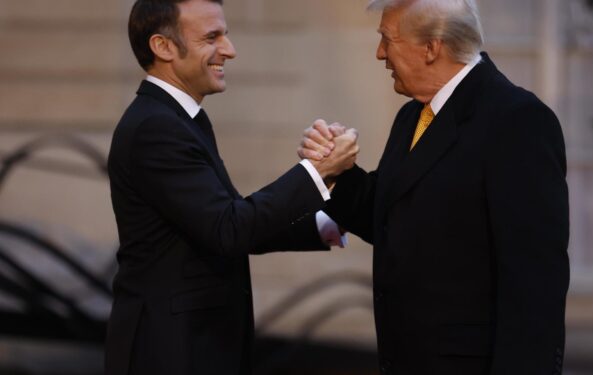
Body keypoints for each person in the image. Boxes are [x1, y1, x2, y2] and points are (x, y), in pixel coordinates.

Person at [299, 0, 569, 374]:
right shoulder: (413, 114)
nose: (380, 54)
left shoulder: (517, 120)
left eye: (386, 39)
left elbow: (534, 283)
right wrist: (337, 171)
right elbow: (392, 214)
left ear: (431, 47)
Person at [105, 0, 358, 374]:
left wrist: (326, 223)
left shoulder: (178, 119)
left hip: (193, 347)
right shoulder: (157, 128)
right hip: (171, 352)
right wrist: (315, 171)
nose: (230, 49)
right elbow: (229, 229)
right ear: (164, 47)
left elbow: (223, 222)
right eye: (212, 37)